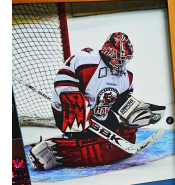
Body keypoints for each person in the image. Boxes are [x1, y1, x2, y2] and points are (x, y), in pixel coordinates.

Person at [28, 33, 164, 170]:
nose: (122, 63)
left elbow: (121, 101)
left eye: (125, 59)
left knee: (118, 140)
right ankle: (52, 149)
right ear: (109, 52)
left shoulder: (127, 74)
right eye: (120, 59)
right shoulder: (85, 60)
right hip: (69, 114)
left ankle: (74, 140)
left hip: (99, 116)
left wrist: (134, 113)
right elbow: (62, 80)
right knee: (92, 149)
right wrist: (77, 106)